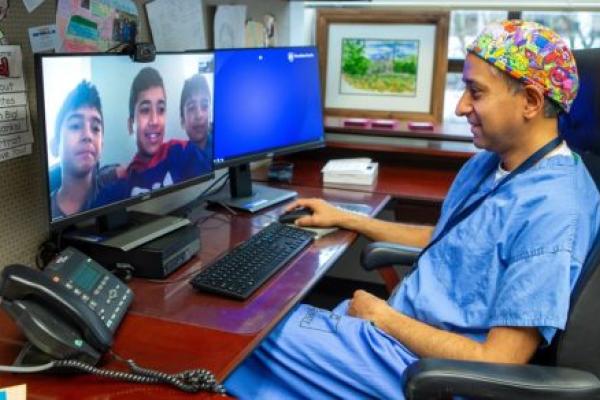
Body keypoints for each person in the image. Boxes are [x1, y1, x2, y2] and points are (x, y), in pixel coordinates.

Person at [224, 20, 600, 399]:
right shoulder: (492, 163)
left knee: (241, 333)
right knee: (251, 331)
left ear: (531, 102)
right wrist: (345, 217)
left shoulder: (553, 211)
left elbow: (499, 360)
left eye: (475, 92)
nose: (460, 105)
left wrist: (384, 318)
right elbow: (449, 242)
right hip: (391, 336)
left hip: (427, 371)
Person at [125, 67, 210, 195]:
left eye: (161, 109)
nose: (154, 121)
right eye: (145, 110)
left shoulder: (181, 152)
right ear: (131, 125)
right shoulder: (124, 180)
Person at [49, 81, 105, 219]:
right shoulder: (44, 214)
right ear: (55, 146)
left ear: (102, 145)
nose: (87, 135)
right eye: (75, 126)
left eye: (95, 128)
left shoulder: (114, 196)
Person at [179, 73, 213, 163]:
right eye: (191, 107)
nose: (199, 115)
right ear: (182, 121)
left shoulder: (221, 148)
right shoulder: (179, 159)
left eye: (204, 106)